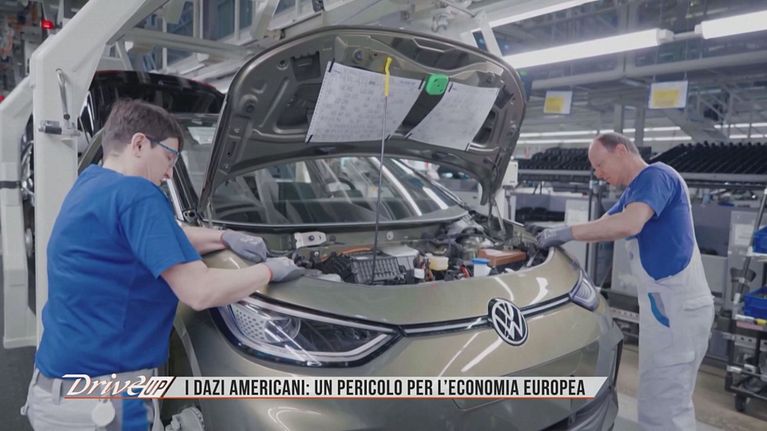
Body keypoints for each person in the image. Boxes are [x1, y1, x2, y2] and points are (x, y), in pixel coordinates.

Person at [22, 99, 303, 431]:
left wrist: (223, 236)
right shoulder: (138, 194)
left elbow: (161, 235)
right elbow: (199, 291)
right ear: (140, 144)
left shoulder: (91, 184)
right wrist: (271, 270)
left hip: (54, 394)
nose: (169, 172)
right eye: (169, 157)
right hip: (106, 404)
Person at [537, 132, 714, 431]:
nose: (598, 173)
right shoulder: (634, 192)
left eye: (600, 164)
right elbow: (603, 224)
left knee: (667, 402)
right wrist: (553, 233)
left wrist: (565, 234)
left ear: (620, 151)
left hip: (679, 308)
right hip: (666, 308)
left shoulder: (657, 175)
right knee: (656, 395)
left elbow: (628, 225)